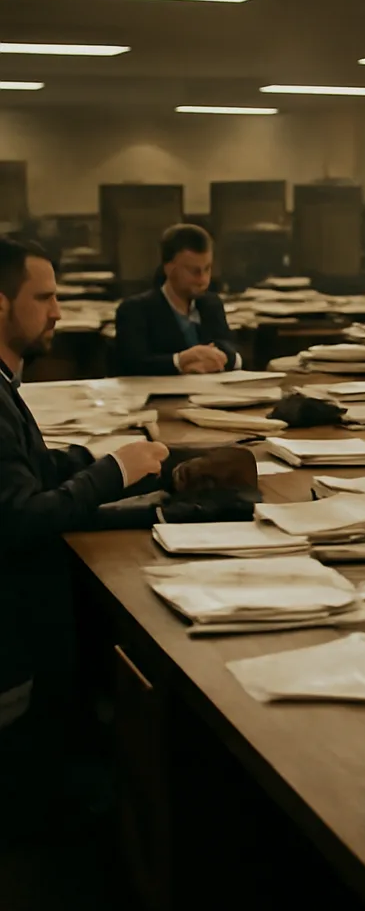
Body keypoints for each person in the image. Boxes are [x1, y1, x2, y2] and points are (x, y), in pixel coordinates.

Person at [0, 238, 167, 838]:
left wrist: (119, 473)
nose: (58, 312)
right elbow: (21, 516)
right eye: (43, 297)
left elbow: (33, 470)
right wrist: (115, 471)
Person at [115, 223, 240, 376]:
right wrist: (180, 361)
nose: (202, 279)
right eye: (193, 271)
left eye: (207, 269)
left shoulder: (211, 304)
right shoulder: (135, 310)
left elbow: (231, 351)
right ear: (169, 268)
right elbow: (131, 365)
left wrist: (223, 358)